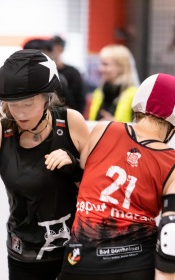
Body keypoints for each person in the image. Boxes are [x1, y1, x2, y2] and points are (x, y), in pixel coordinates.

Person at [0, 49, 90, 280]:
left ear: (47, 97)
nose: (19, 113)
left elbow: (98, 188)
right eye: (11, 104)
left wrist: (75, 166)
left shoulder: (71, 122)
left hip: (77, 251)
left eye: (28, 104)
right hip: (25, 254)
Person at [59, 73, 175, 280]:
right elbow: (170, 232)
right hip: (137, 262)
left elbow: (83, 177)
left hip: (82, 259)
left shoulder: (103, 130)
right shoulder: (171, 161)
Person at [88, 44, 140, 122]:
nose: (100, 68)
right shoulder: (98, 93)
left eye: (105, 64)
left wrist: (115, 126)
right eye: (101, 63)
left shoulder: (134, 95)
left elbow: (139, 130)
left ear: (121, 67)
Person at [50, 35, 86, 115]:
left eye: (53, 48)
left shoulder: (72, 73)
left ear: (61, 49)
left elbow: (80, 102)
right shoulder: (43, 72)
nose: (51, 51)